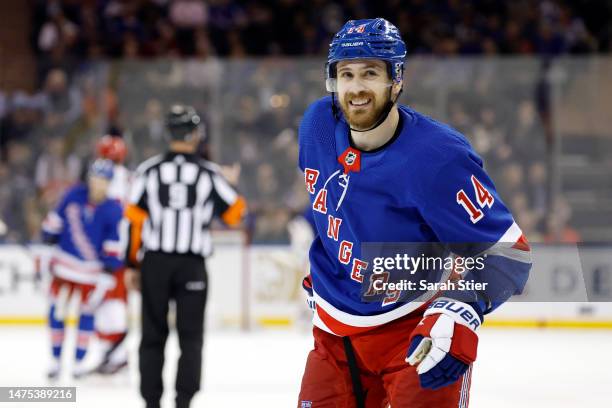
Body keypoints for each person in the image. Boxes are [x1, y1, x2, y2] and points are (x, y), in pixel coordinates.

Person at [297, 18, 533, 407]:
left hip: (415, 333)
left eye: (371, 73)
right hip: (334, 335)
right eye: (346, 74)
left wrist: (461, 308)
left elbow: (510, 253)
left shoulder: (437, 157)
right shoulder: (316, 126)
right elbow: (335, 203)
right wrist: (336, 268)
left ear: (397, 80)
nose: (356, 87)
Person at [123, 105, 246, 408]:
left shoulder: (148, 170)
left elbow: (134, 221)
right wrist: (230, 183)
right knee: (190, 337)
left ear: (168, 134)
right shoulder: (209, 173)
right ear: (195, 135)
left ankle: (151, 402)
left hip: (155, 263)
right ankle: (183, 401)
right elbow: (235, 215)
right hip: (191, 265)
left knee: (152, 334)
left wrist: (131, 264)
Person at [41, 159, 123, 379]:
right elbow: (54, 223)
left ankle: (78, 361)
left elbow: (113, 243)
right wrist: (47, 245)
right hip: (64, 268)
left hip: (90, 273)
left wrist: (107, 274)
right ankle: (55, 360)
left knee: (86, 316)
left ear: (109, 182)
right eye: (96, 178)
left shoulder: (113, 208)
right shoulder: (73, 195)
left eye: (103, 180)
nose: (98, 184)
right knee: (56, 313)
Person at [92, 134, 131, 374]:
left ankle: (116, 355)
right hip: (124, 250)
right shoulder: (129, 177)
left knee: (108, 303)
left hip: (109, 251)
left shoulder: (106, 178)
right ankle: (114, 354)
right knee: (114, 302)